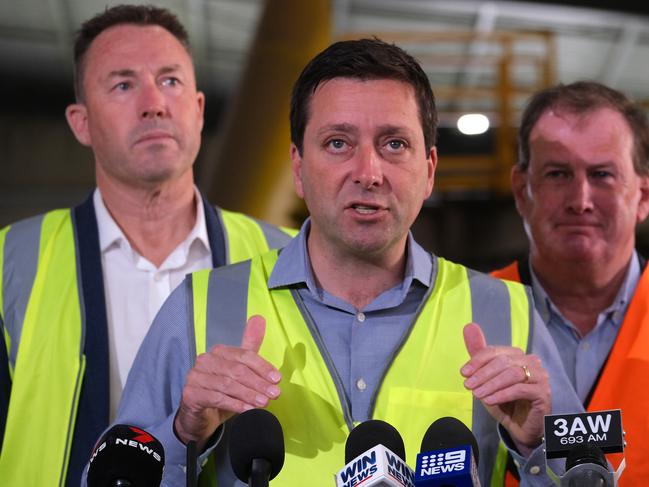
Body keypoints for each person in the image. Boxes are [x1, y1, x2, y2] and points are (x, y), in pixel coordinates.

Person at [111, 39, 582, 486]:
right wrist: (184, 433)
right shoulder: (198, 309)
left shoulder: (512, 316)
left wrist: (536, 444)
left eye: (394, 144)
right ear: (297, 167)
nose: (368, 172)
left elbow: (588, 473)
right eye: (338, 143)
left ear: (430, 170)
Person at [0, 5, 294, 486]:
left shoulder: (283, 258)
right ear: (81, 122)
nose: (154, 102)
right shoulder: (10, 263)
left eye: (171, 81)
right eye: (123, 84)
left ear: (198, 110)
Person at [492, 81, 649, 485]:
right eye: (558, 174)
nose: (580, 199)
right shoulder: (468, 313)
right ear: (521, 191)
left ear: (644, 195)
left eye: (602, 174)